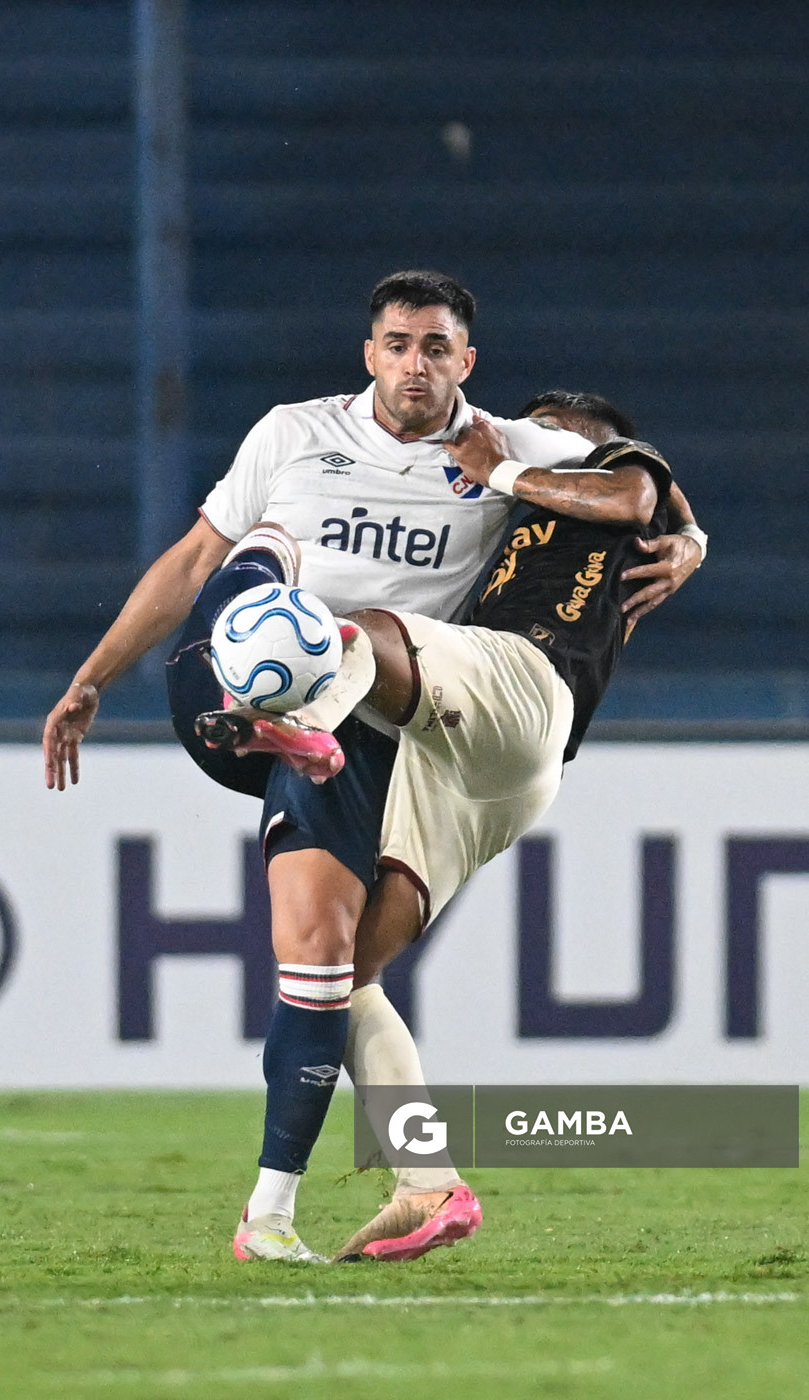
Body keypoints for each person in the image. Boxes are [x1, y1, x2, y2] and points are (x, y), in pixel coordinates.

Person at [42, 272, 703, 1262]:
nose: (416, 364)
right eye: (398, 343)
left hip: (432, 706)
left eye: (437, 347)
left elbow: (638, 478)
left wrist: (687, 533)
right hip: (360, 712)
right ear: (370, 351)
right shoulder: (294, 433)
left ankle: (285, 710)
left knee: (331, 952)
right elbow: (188, 562)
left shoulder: (507, 447)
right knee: (336, 972)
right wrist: (93, 676)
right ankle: (425, 1175)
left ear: (464, 362)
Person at [201, 396, 684, 1261]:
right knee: (344, 979)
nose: (505, 437)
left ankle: (305, 723)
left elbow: (638, 504)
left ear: (584, 434)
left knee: (363, 632)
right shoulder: (521, 510)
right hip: (487, 766)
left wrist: (502, 464)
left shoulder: (616, 465)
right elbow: (671, 525)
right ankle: (429, 1182)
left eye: (540, 428)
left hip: (527, 680)